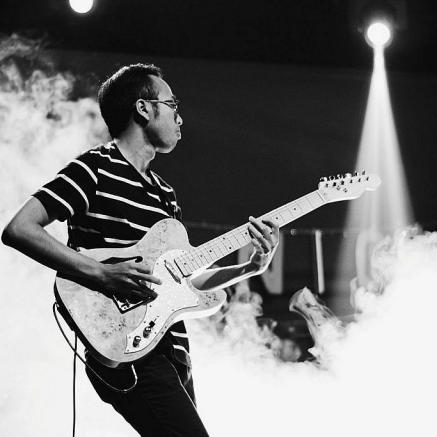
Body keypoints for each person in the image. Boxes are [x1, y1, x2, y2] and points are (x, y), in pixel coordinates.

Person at [2, 63, 279, 437]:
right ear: (143, 108)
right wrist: (102, 273)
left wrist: (250, 267)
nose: (180, 118)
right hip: (125, 347)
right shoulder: (95, 168)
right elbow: (19, 229)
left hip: (173, 350)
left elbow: (183, 283)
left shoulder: (165, 194)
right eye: (172, 105)